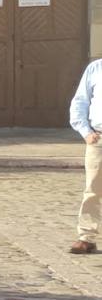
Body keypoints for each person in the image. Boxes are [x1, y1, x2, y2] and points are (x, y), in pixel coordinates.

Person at [69, 58, 102, 255]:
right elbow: (80, 101)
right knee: (93, 190)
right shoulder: (96, 68)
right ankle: (87, 238)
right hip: (99, 139)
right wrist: (85, 131)